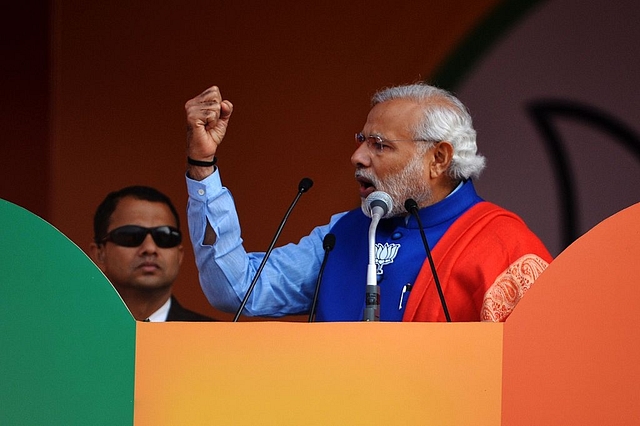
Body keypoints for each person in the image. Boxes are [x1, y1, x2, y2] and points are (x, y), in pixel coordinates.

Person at [184, 83, 553, 322]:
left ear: (438, 159)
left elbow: (538, 368)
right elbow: (236, 289)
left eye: (379, 144)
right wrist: (203, 169)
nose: (357, 156)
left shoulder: (504, 246)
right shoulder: (344, 232)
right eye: (362, 140)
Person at [89, 185, 215, 322]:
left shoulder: (214, 339)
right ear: (99, 254)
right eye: (132, 235)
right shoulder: (67, 334)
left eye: (164, 236)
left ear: (179, 255)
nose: (150, 248)